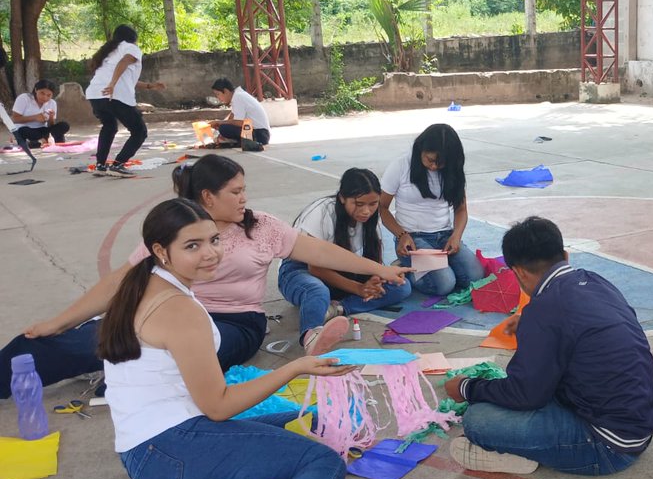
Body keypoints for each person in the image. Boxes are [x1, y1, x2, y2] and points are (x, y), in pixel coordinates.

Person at [100, 197, 352, 479]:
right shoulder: (178, 308)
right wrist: (293, 368)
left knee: (302, 421)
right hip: (171, 449)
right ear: (160, 251)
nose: (210, 254)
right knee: (320, 459)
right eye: (192, 246)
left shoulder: (147, 282)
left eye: (213, 240)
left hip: (155, 449)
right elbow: (218, 406)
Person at [3, 154, 410, 395]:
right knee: (75, 342)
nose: (244, 198)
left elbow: (321, 251)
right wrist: (59, 321)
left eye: (243, 189)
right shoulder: (177, 229)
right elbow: (121, 282)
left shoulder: (262, 226)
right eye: (235, 192)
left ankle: (130, 375)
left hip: (235, 323)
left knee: (185, 356)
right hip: (168, 317)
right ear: (207, 197)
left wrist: (380, 270)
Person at [444, 216, 653, 475]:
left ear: (520, 272)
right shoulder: (595, 281)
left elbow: (525, 395)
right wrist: (530, 322)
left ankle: (519, 455)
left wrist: (465, 387)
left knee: (478, 420)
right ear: (565, 256)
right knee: (526, 385)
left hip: (608, 446)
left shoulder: (544, 312)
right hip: (637, 426)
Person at [279, 168, 412, 354]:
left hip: (344, 274)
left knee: (402, 286)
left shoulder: (370, 221)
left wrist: (374, 280)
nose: (366, 211)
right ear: (342, 198)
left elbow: (373, 260)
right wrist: (358, 288)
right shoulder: (322, 213)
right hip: (301, 271)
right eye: (359, 204)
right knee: (317, 291)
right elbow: (316, 269)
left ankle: (338, 309)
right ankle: (311, 337)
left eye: (373, 204)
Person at [378, 123, 485, 297]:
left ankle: (431, 266)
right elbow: (381, 207)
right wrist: (401, 234)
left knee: (475, 277)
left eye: (440, 163)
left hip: (444, 236)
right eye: (430, 160)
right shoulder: (401, 165)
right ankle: (406, 267)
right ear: (421, 149)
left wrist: (456, 236)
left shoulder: (452, 170)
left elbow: (461, 209)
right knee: (444, 285)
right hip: (413, 238)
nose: (434, 167)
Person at [84, 24, 164, 177]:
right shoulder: (131, 48)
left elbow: (126, 77)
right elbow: (124, 63)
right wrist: (112, 84)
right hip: (113, 95)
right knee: (139, 131)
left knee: (109, 127)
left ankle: (100, 165)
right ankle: (119, 164)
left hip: (95, 95)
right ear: (133, 39)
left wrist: (149, 86)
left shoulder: (109, 52)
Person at [211, 77, 270, 150]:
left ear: (226, 91)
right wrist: (220, 126)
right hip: (260, 133)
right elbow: (232, 117)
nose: (218, 98)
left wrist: (220, 123)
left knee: (224, 128)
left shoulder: (238, 97)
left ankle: (246, 141)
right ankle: (238, 140)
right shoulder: (237, 96)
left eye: (218, 94)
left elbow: (239, 122)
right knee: (223, 127)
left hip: (260, 134)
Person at [11, 79, 69, 148]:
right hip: (26, 130)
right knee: (23, 131)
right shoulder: (24, 98)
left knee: (64, 125)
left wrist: (51, 118)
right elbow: (14, 119)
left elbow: (51, 125)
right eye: (42, 93)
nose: (45, 97)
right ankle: (45, 141)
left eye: (49, 95)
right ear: (36, 90)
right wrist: (35, 117)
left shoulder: (52, 103)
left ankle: (39, 142)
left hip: (42, 130)